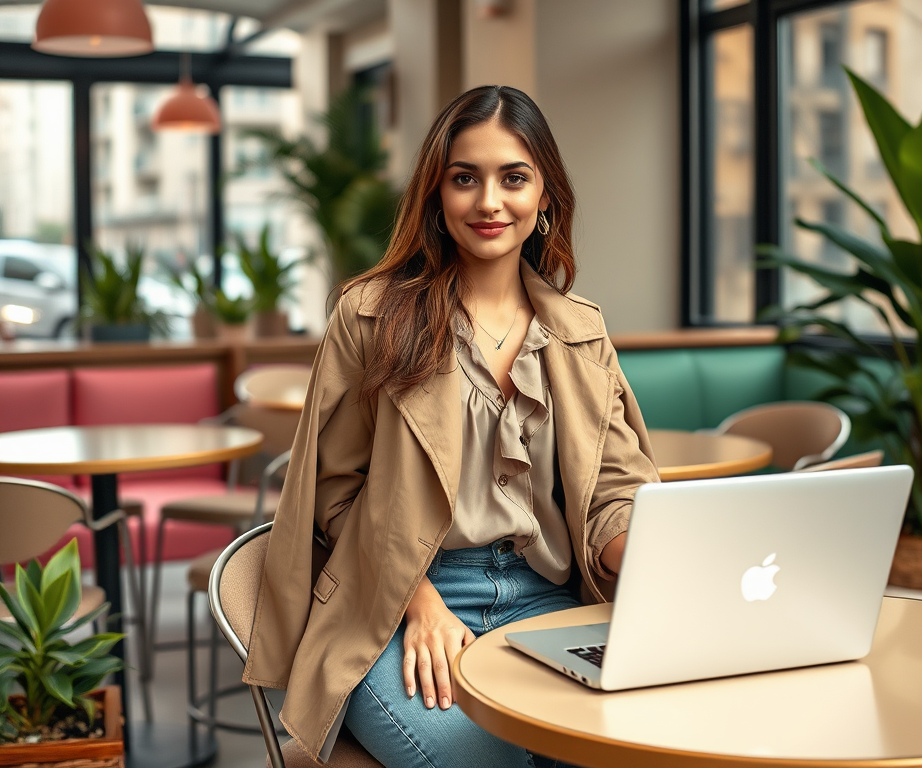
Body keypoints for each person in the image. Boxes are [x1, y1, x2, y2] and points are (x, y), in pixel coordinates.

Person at [242, 85, 660, 768]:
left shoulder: (581, 331)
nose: (489, 202)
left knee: (610, 749)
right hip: (396, 600)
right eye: (465, 178)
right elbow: (334, 493)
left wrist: (647, 549)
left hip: (550, 602)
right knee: (485, 761)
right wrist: (421, 602)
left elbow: (614, 493)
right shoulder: (369, 315)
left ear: (546, 196)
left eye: (514, 178)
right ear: (437, 194)